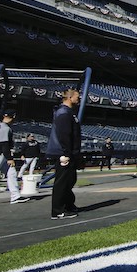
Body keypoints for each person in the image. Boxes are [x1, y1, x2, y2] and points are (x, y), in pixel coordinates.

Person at [46, 88, 82, 219]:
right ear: (70, 97)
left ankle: (68, 204)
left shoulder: (69, 112)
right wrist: (66, 152)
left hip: (70, 151)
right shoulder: (64, 112)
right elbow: (64, 135)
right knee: (62, 181)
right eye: (77, 96)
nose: (78, 99)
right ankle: (57, 210)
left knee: (70, 180)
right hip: (63, 152)